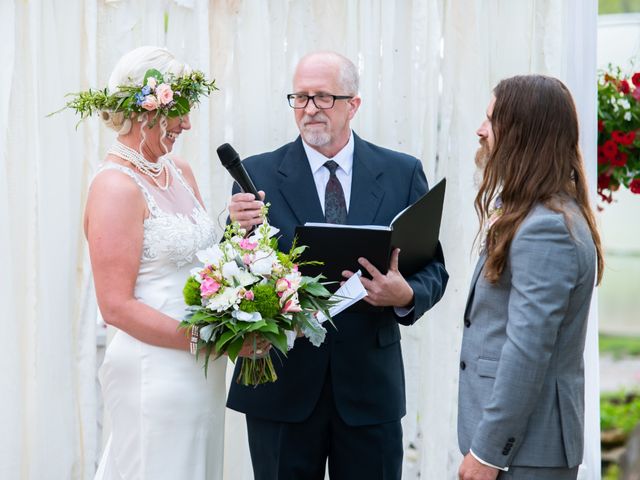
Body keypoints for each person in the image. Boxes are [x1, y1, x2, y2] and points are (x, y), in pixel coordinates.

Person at [226, 51, 449, 480]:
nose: (309, 109)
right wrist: (234, 229)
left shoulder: (402, 172)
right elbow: (232, 273)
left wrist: (405, 296)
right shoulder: (256, 175)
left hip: (370, 392)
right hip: (282, 389)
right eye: (300, 98)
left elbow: (432, 268)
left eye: (323, 98)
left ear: (354, 104)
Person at [77, 46, 259, 479]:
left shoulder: (178, 169)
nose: (187, 124)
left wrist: (237, 230)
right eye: (179, 111)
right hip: (153, 370)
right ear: (145, 109)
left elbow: (200, 266)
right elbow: (115, 306)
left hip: (200, 370)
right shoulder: (115, 187)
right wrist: (209, 341)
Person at [457, 75, 604, 480]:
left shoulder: (547, 228)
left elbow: (528, 349)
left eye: (491, 120)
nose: (480, 130)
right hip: (520, 447)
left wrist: (488, 453)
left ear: (524, 133)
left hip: (524, 452)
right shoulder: (537, 213)